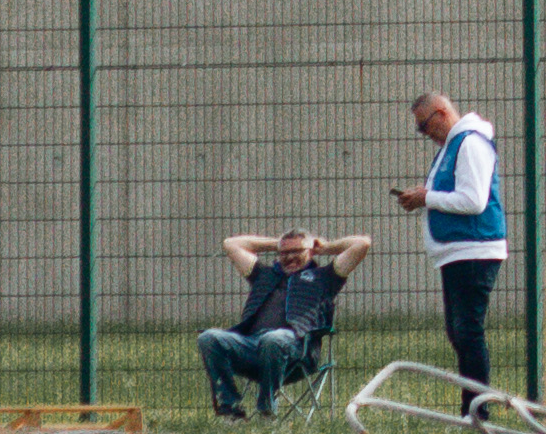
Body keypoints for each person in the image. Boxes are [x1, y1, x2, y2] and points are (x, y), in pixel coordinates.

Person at [392, 88, 508, 393]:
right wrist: (423, 197)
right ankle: (473, 406)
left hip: (474, 249)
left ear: (442, 113)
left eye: (425, 125)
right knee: (459, 334)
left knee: (468, 332)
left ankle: (476, 409)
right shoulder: (452, 146)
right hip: (457, 251)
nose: (424, 133)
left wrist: (427, 197)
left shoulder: (470, 143)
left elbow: (473, 201)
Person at [197, 225, 369, 417]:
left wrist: (325, 247)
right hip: (251, 346)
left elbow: (362, 244)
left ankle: (266, 408)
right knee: (208, 338)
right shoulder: (263, 275)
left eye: (296, 251)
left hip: (298, 349)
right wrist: (275, 244)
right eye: (284, 253)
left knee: (273, 339)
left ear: (310, 252)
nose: (289, 257)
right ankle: (230, 409)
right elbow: (231, 244)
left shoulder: (325, 277)